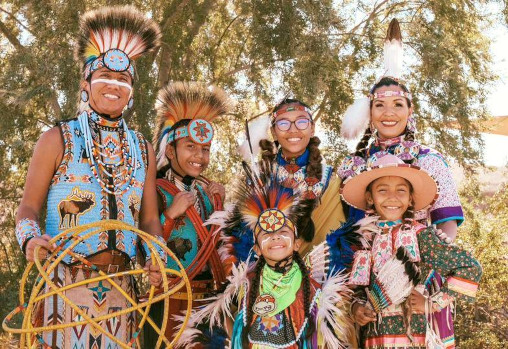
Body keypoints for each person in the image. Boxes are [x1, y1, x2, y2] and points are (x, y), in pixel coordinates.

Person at [14, 6, 164, 348]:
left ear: (132, 90)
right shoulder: (56, 139)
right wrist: (30, 240)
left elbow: (151, 220)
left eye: (123, 79)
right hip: (63, 284)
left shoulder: (143, 149)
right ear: (86, 83)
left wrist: (157, 256)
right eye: (105, 75)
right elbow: (26, 209)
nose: (114, 84)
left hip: (122, 289)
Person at [338, 19, 464, 346]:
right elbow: (344, 233)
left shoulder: (429, 160)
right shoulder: (353, 166)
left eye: (397, 104)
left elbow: (447, 225)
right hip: (370, 293)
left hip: (421, 287)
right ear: (369, 111)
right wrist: (353, 300)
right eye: (379, 105)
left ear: (410, 110)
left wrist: (428, 285)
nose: (388, 113)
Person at [175, 161, 352, 348]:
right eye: (267, 234)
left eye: (283, 232)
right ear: (257, 249)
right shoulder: (245, 284)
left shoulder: (313, 289)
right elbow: (223, 320)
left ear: (297, 244)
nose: (275, 238)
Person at [341, 153, 482, 348]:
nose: (392, 197)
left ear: (410, 199)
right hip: (376, 339)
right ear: (370, 197)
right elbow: (356, 290)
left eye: (401, 190)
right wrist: (357, 307)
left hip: (416, 339)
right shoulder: (364, 241)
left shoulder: (421, 236)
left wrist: (433, 303)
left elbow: (470, 268)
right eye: (382, 190)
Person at [143, 81, 237, 345]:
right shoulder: (156, 192)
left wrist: (221, 207)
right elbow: (144, 247)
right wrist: (170, 215)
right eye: (191, 147)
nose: (200, 156)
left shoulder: (209, 194)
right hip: (168, 300)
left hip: (208, 304)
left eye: (205, 149)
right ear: (171, 150)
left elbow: (220, 247)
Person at [234, 97, 346, 261]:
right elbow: (243, 234)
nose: (293, 129)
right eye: (283, 123)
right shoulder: (258, 175)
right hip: (266, 275)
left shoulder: (331, 179)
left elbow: (338, 236)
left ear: (312, 128)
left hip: (319, 275)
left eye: (301, 122)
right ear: (273, 132)